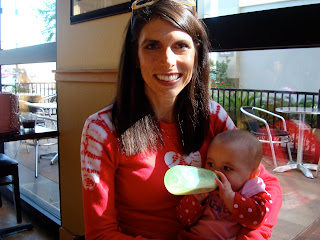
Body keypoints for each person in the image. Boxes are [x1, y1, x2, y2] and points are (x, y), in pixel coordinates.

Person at [80, 0, 282, 239]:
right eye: (152, 46)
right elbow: (101, 234)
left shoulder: (213, 115)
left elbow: (267, 185)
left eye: (181, 46)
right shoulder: (101, 130)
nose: (167, 60)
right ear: (136, 56)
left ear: (196, 54)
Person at [176, 130, 273, 240]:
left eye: (227, 168)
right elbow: (183, 219)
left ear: (252, 175)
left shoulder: (252, 190)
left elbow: (258, 219)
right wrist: (195, 200)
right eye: (210, 164)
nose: (215, 172)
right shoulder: (203, 187)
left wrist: (230, 198)